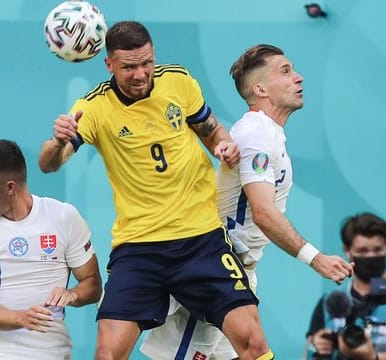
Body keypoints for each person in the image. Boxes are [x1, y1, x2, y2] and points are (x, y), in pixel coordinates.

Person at [39, 21, 275, 360]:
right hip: (139, 248)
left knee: (253, 342)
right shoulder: (93, 108)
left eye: (146, 63)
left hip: (201, 240)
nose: (140, 74)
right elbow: (50, 163)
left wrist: (223, 145)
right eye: (129, 67)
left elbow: (210, 131)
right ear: (109, 65)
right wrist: (58, 140)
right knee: (107, 353)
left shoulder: (178, 81)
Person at [141, 44, 354, 359]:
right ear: (260, 88)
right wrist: (315, 258)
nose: (298, 77)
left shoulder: (269, 134)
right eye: (285, 71)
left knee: (254, 351)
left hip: (237, 274)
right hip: (210, 274)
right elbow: (264, 213)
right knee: (254, 350)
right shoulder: (256, 135)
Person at [0, 139, 102, 360]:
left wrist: (72, 294)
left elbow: (93, 284)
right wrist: (21, 318)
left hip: (51, 350)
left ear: (10, 187)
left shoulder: (63, 217)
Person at [306, 212, 386, 360]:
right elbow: (307, 353)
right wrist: (317, 348)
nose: (371, 256)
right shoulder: (332, 301)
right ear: (347, 250)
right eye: (362, 251)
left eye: (378, 250)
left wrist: (374, 357)